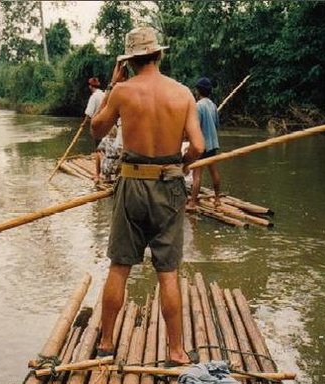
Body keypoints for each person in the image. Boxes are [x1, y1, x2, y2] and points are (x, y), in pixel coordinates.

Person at [91, 26, 205, 365]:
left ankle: (107, 344)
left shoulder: (123, 92)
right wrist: (181, 167)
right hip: (169, 185)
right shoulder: (183, 93)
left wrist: (113, 84)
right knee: (168, 271)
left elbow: (97, 129)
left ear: (129, 60)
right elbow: (197, 146)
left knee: (119, 266)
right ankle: (176, 351)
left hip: (132, 183)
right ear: (159, 54)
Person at [185, 77, 222, 211]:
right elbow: (217, 125)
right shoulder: (213, 106)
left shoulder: (198, 106)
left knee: (197, 175)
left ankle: (192, 203)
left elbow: (195, 127)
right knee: (214, 172)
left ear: (198, 91)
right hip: (212, 144)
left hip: (201, 145)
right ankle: (217, 199)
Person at [84, 77, 105, 182]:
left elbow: (89, 114)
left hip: (98, 126)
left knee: (98, 150)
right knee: (106, 149)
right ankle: (106, 172)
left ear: (90, 86)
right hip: (108, 125)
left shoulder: (94, 97)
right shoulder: (104, 94)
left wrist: (83, 124)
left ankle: (97, 174)